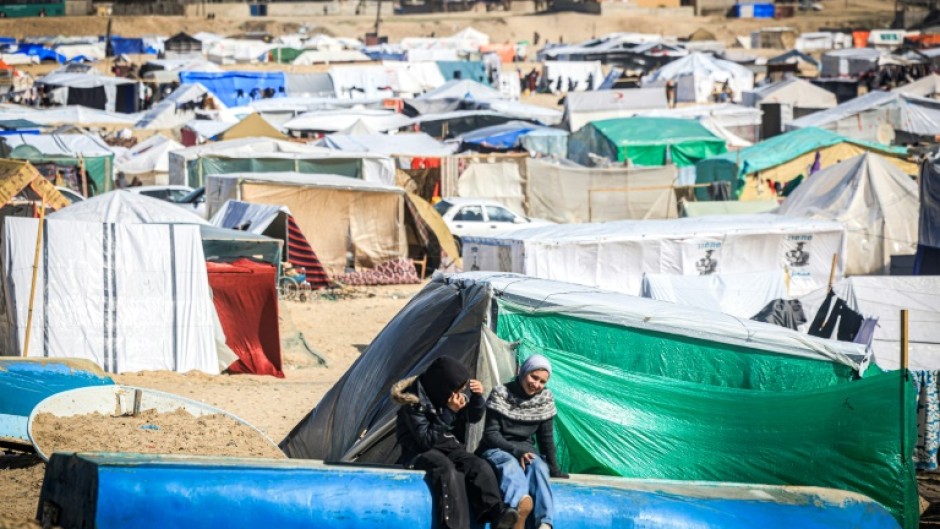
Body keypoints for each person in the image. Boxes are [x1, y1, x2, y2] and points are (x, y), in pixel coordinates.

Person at [392, 357, 519, 529]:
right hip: (418, 451)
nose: (460, 393)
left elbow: (472, 417)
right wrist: (449, 412)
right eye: (459, 388)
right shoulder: (413, 404)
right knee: (446, 469)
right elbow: (425, 441)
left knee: (477, 464)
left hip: (447, 445)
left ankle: (496, 512)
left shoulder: (446, 395)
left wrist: (476, 398)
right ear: (444, 386)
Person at [479, 355, 566, 529]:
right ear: (522, 371)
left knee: (539, 467)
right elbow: (491, 434)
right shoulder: (501, 393)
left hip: (526, 451)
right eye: (533, 377)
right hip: (498, 448)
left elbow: (546, 438)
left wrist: (553, 468)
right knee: (509, 464)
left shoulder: (545, 398)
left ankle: (545, 523)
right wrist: (515, 451)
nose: (536, 384)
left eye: (542, 381)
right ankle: (517, 508)